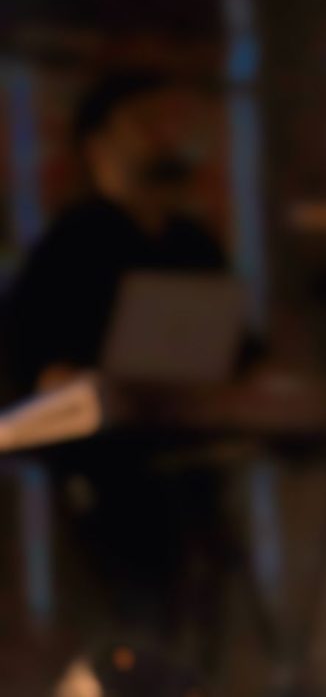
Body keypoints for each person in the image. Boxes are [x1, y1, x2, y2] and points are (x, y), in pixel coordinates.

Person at [0, 71, 235, 679]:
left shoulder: (192, 242)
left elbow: (236, 343)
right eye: (143, 124)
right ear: (98, 143)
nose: (163, 137)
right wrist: (61, 380)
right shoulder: (72, 242)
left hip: (193, 460)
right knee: (129, 614)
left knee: (202, 607)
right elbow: (30, 355)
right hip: (106, 473)